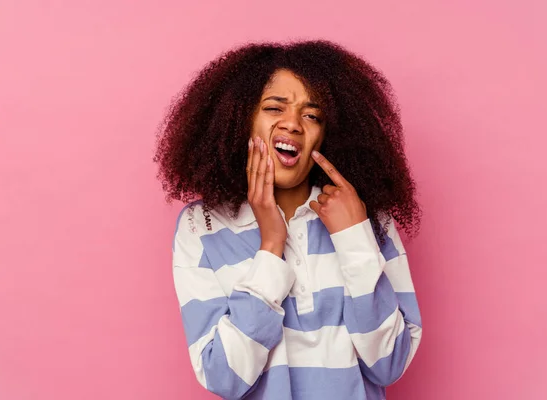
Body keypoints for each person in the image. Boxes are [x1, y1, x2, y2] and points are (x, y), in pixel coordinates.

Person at [154, 39, 423, 400]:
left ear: (328, 134)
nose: (293, 124)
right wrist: (271, 245)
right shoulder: (201, 226)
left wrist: (355, 237)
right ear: (239, 120)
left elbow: (389, 365)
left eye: (312, 115)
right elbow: (224, 378)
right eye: (273, 107)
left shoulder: (367, 219)